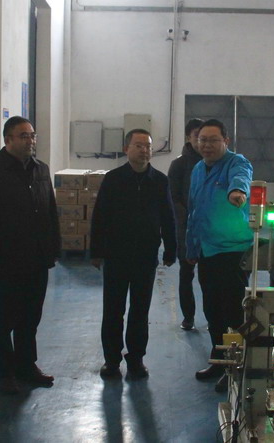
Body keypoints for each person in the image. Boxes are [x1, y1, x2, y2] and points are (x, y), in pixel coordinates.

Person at [0, 116, 60, 394]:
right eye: (24, 136)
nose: (30, 141)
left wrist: (53, 249)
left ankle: (26, 366)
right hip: (7, 261)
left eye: (32, 135)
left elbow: (50, 211)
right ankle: (3, 373)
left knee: (30, 318)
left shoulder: (41, 169)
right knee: (2, 321)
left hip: (36, 259)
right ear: (7, 139)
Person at [90, 129, 177, 379]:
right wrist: (96, 251)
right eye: (138, 145)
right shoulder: (113, 179)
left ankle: (136, 359)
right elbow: (100, 216)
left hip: (145, 256)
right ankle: (111, 361)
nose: (144, 150)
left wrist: (171, 249)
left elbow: (168, 217)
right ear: (126, 149)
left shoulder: (159, 181)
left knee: (140, 310)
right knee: (113, 310)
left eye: (147, 146)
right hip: (116, 255)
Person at [186, 119, 253, 392]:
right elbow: (194, 211)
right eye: (202, 140)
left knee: (233, 312)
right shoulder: (198, 169)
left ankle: (235, 367)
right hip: (207, 250)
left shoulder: (237, 163)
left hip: (231, 251)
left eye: (213, 140)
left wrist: (237, 192)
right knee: (212, 310)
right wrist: (192, 248)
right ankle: (219, 360)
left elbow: (241, 179)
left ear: (226, 141)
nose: (207, 145)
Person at [167, 118, 204, 331]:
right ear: (188, 137)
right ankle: (188, 317)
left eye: (205, 137)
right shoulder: (179, 165)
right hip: (186, 229)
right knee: (186, 274)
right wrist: (189, 220)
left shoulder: (214, 163)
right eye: (197, 136)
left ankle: (213, 316)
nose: (201, 141)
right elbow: (173, 198)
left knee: (209, 277)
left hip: (209, 230)